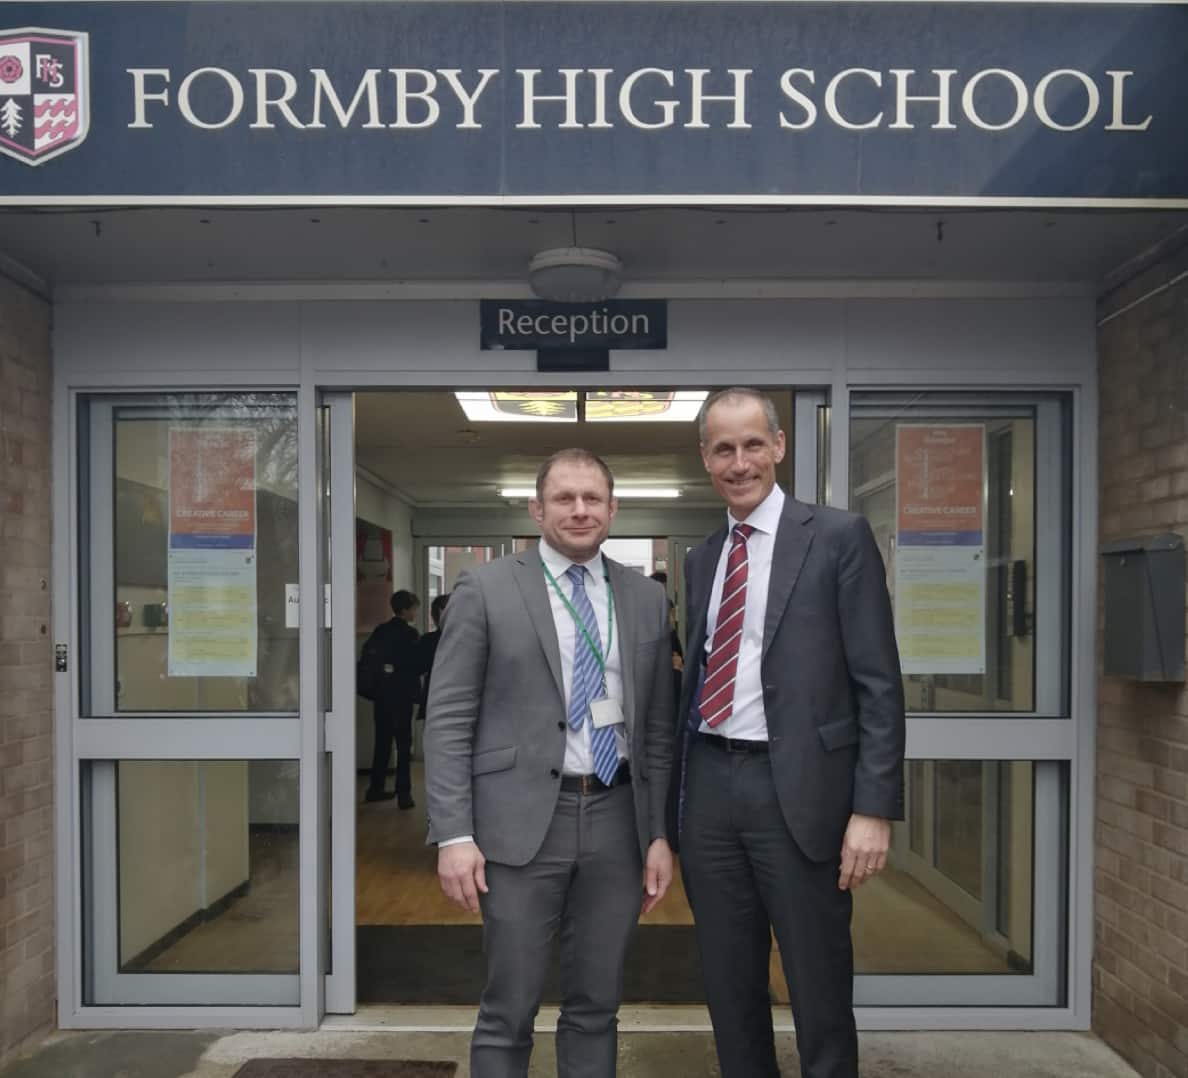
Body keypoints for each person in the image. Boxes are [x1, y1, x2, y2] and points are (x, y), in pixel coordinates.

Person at [671, 387, 906, 1078]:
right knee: (728, 982)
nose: (739, 461)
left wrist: (873, 807)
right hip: (710, 788)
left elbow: (879, 683)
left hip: (801, 792)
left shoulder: (837, 537)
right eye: (723, 448)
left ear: (778, 446)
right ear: (706, 459)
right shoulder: (703, 557)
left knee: (818, 984)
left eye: (752, 445)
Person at [424, 448, 675, 1078]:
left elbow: (659, 731)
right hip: (520, 826)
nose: (580, 510)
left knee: (597, 1004)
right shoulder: (485, 588)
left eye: (593, 498)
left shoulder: (645, 599)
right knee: (509, 1006)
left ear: (613, 509)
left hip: (618, 820)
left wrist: (660, 834)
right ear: (537, 508)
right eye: (564, 498)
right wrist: (454, 833)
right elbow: (449, 718)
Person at [363, 589, 422, 808]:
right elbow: (415, 665)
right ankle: (404, 794)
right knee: (404, 745)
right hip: (402, 696)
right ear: (405, 610)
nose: (415, 613)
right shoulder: (410, 634)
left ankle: (375, 788)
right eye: (414, 609)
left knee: (382, 743)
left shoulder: (381, 631)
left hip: (382, 697)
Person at [416, 591, 450, 721]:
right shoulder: (470, 639)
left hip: (434, 699)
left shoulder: (428, 640)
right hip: (452, 701)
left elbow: (419, 667)